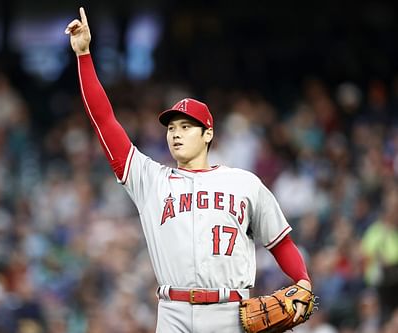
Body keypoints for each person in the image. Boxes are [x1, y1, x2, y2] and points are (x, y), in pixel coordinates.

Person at [66, 7, 312, 332]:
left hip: (231, 311)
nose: (176, 133)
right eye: (172, 128)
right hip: (173, 311)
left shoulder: (244, 184)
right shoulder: (150, 180)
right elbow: (105, 121)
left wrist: (304, 281)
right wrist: (84, 56)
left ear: (208, 134)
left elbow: (279, 243)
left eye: (186, 126)